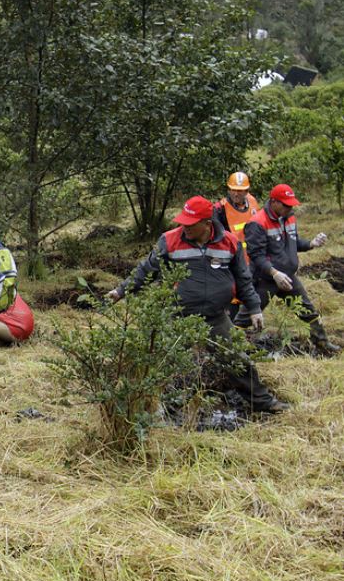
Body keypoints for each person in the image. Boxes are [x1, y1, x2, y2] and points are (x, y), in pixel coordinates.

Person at [106, 196, 289, 413]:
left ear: (207, 224)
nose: (185, 227)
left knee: (238, 361)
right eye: (183, 222)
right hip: (178, 316)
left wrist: (255, 308)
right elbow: (146, 270)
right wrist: (120, 291)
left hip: (216, 317)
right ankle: (146, 410)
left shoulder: (230, 243)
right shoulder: (170, 240)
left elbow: (243, 279)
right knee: (162, 362)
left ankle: (261, 402)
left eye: (191, 224)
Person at [233, 183, 339, 354]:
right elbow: (256, 255)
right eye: (286, 204)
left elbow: (293, 242)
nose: (290, 208)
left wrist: (311, 244)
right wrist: (274, 273)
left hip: (288, 276)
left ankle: (322, 344)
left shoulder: (290, 217)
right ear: (274, 202)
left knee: (307, 310)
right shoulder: (257, 223)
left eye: (291, 204)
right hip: (264, 279)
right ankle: (232, 349)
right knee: (246, 317)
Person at [213, 171, 262, 318]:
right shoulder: (219, 209)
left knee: (249, 291)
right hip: (232, 259)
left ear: (247, 191)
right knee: (233, 294)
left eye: (240, 191)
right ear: (228, 189)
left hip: (252, 258)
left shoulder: (252, 202)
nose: (236, 194)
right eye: (233, 190)